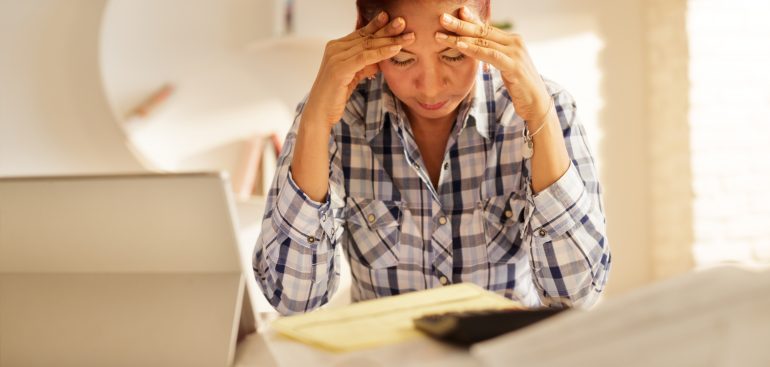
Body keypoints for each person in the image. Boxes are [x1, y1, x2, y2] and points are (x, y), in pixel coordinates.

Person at [253, 0, 611, 315]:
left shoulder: (545, 109)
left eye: (453, 55)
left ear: (485, 21)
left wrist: (539, 118)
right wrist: (315, 122)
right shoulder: (340, 118)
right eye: (403, 58)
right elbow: (293, 300)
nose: (430, 86)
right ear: (364, 34)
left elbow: (576, 295)